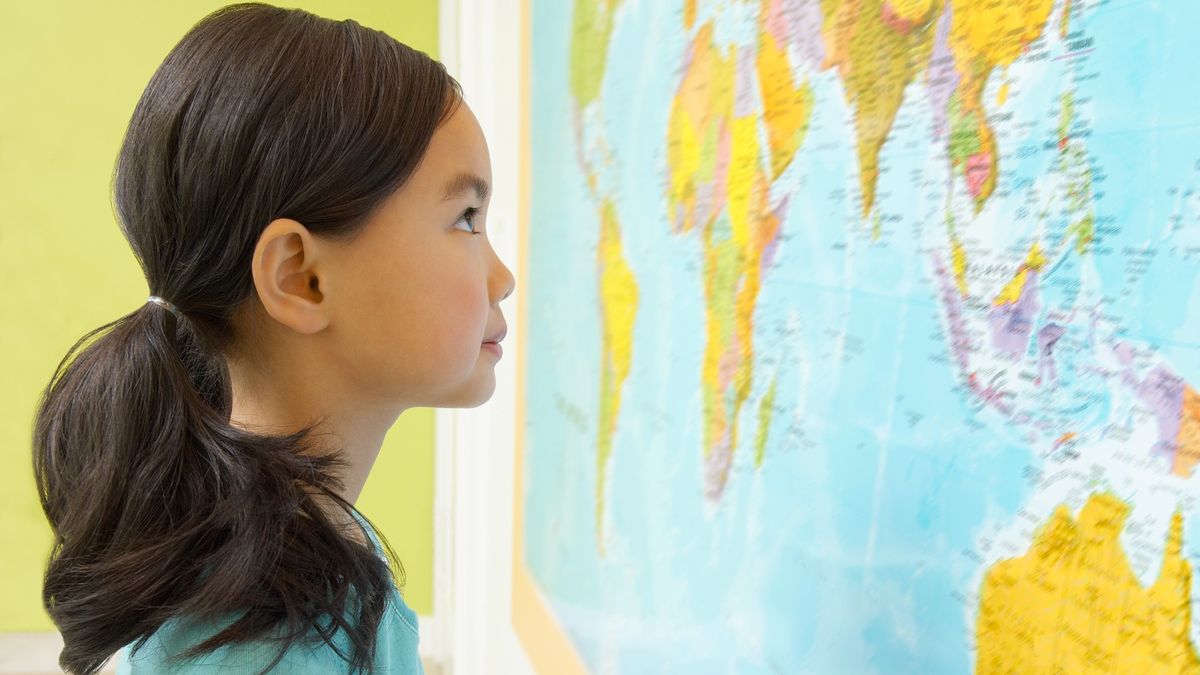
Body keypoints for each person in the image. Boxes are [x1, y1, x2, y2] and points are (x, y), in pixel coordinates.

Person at [30, 3, 514, 673]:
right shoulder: (263, 641)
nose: (503, 275)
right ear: (301, 277)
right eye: (465, 218)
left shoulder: (299, 557)